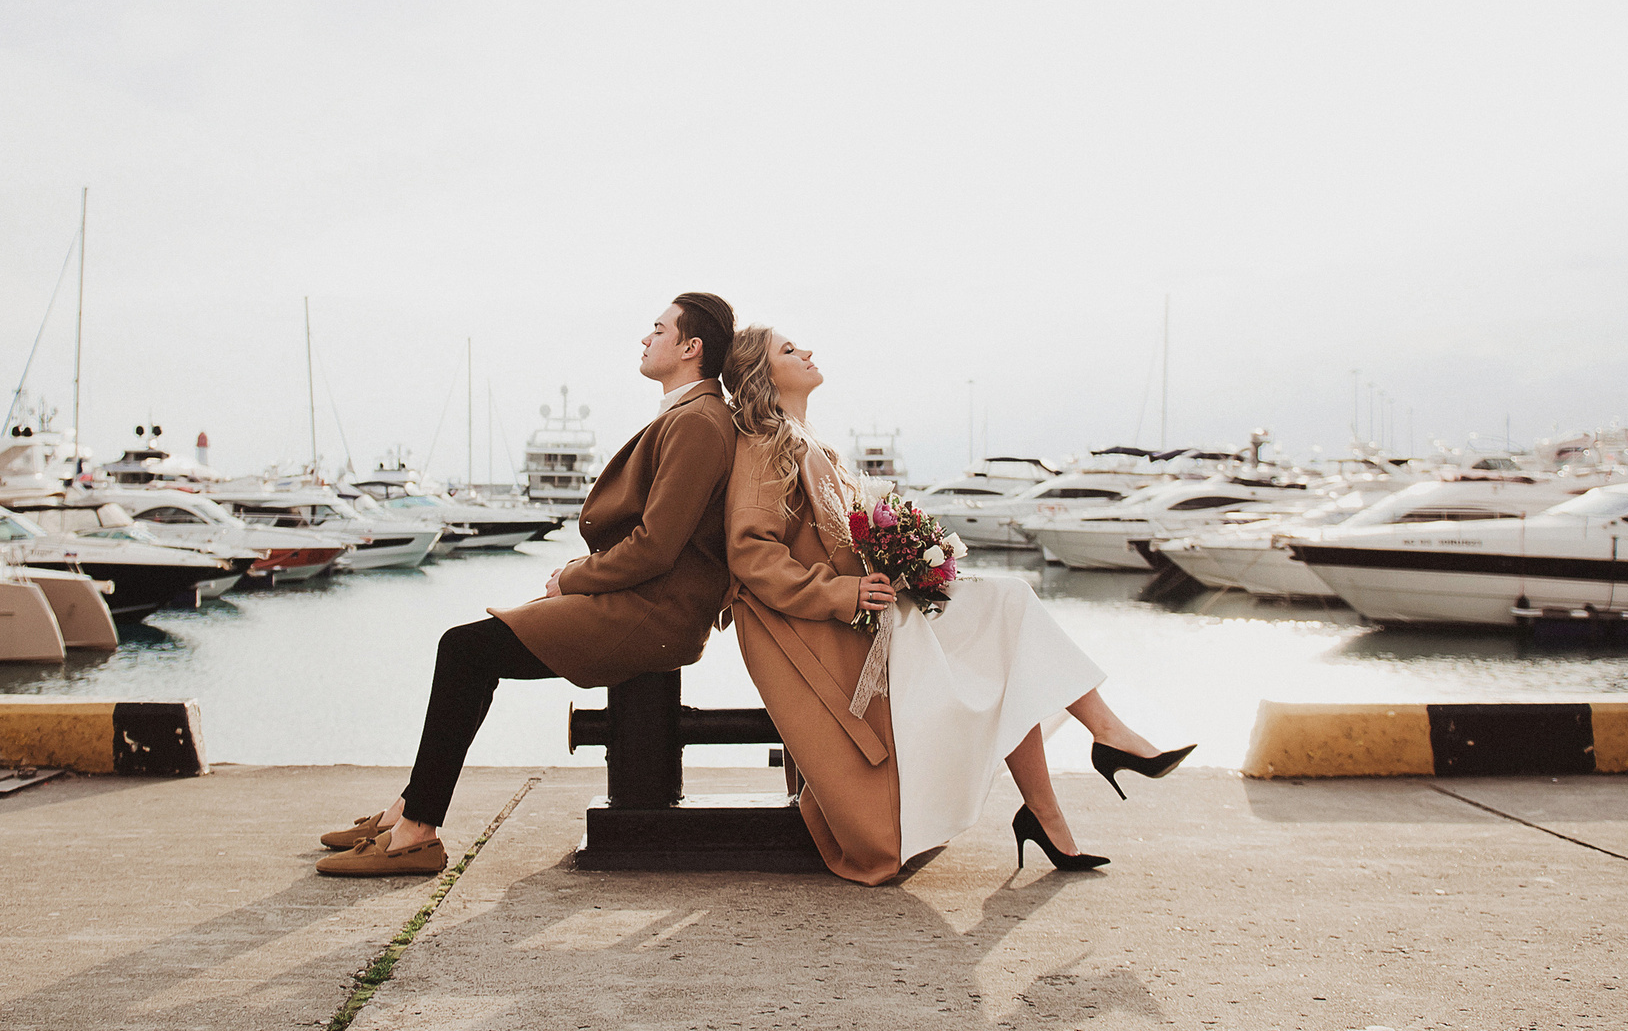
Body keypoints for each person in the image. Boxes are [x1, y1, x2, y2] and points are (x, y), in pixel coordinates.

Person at [719, 324, 1190, 885]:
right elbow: (750, 552)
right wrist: (842, 592)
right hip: (843, 626)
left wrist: (911, 561)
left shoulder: (810, 441)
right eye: (790, 350)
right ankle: (1105, 747)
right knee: (1009, 610)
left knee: (1008, 634)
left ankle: (1054, 811)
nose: (809, 351)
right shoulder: (765, 443)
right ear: (762, 373)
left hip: (878, 610)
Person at [316, 293, 740, 876]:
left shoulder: (697, 423)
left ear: (690, 348)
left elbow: (656, 546)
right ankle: (405, 814)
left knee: (464, 650)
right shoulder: (691, 416)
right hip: (637, 601)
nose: (646, 339)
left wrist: (571, 579)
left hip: (653, 613)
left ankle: (416, 830)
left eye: (659, 330)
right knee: (467, 649)